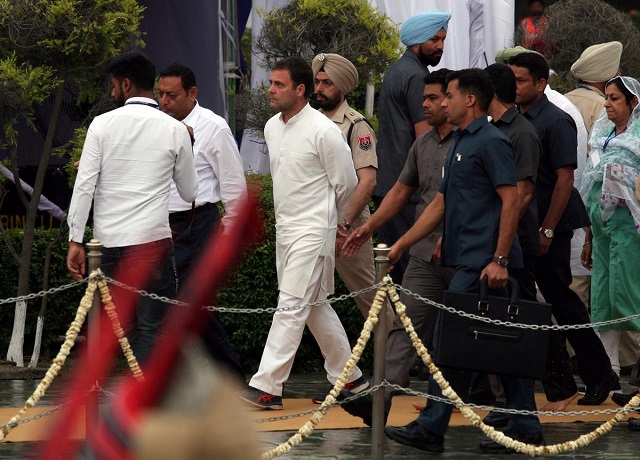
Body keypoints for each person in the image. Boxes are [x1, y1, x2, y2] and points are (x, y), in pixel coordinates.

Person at [382, 68, 543, 454]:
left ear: (469, 99)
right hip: (469, 262)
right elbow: (441, 202)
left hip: (486, 265)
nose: (442, 102)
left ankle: (435, 426)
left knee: (454, 344)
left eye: (449, 95)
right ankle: (523, 426)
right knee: (495, 347)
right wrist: (402, 243)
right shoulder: (459, 142)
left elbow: (511, 200)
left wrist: (500, 259)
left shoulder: (491, 141)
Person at [240, 57, 367, 410]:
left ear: (300, 90)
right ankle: (351, 379)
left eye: (278, 85)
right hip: (286, 230)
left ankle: (268, 387)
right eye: (271, 83)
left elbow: (347, 185)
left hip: (315, 231)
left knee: (292, 306)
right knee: (313, 307)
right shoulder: (271, 127)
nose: (270, 90)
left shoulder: (324, 131)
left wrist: (336, 227)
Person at [66, 51, 198, 365]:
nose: (112, 92)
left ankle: (116, 397)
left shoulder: (101, 125)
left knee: (115, 326)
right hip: (152, 240)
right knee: (154, 325)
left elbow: (84, 185)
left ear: (126, 84)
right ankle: (143, 401)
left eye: (113, 86)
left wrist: (74, 239)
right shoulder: (175, 129)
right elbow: (190, 191)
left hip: (107, 244)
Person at [341, 69, 456, 424]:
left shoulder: (473, 141)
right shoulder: (422, 144)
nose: (425, 104)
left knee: (467, 334)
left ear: (454, 100)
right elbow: (400, 193)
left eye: (433, 98)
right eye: (424, 98)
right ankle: (379, 399)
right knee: (403, 327)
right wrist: (366, 228)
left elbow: (465, 203)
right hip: (425, 255)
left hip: (464, 254)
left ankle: (513, 413)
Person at [508, 51, 618, 405]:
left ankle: (600, 375)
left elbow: (565, 180)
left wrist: (549, 230)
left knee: (562, 300)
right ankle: (590, 375)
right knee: (545, 299)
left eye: (521, 80)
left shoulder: (555, 120)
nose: (515, 86)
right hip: (528, 223)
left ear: (541, 83)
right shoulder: (517, 118)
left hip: (550, 223)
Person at [157, 63, 247, 381]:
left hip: (199, 225)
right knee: (158, 303)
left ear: (192, 93)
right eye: (161, 94)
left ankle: (232, 377)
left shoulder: (214, 127)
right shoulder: (155, 124)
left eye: (172, 95)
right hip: (159, 224)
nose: (164, 101)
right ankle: (175, 381)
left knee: (194, 306)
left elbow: (235, 187)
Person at [311, 52, 395, 334]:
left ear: (343, 87)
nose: (319, 89)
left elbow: (368, 181)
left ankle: (396, 361)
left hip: (347, 222)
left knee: (368, 294)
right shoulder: (310, 121)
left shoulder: (356, 126)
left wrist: (345, 224)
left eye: (327, 83)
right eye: (317, 82)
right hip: (315, 220)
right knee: (304, 295)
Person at [479, 63, 542, 428]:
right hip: (498, 247)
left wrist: (502, 251)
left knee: (515, 330)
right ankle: (510, 405)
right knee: (497, 330)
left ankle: (522, 411)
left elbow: (521, 194)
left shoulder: (521, 133)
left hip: (514, 248)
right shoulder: (493, 130)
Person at [373, 9, 451, 283]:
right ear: (417, 41)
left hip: (389, 187)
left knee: (395, 277)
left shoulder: (395, 71)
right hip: (408, 193)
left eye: (442, 39)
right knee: (415, 276)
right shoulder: (418, 77)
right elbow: (426, 137)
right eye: (435, 40)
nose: (440, 46)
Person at [580, 76, 640, 378]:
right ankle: (609, 369)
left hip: (630, 226)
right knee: (602, 296)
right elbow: (590, 183)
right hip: (601, 226)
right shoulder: (601, 133)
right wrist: (589, 237)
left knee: (628, 292)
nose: (607, 104)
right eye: (607, 97)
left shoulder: (639, 137)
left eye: (615, 98)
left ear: (633, 102)